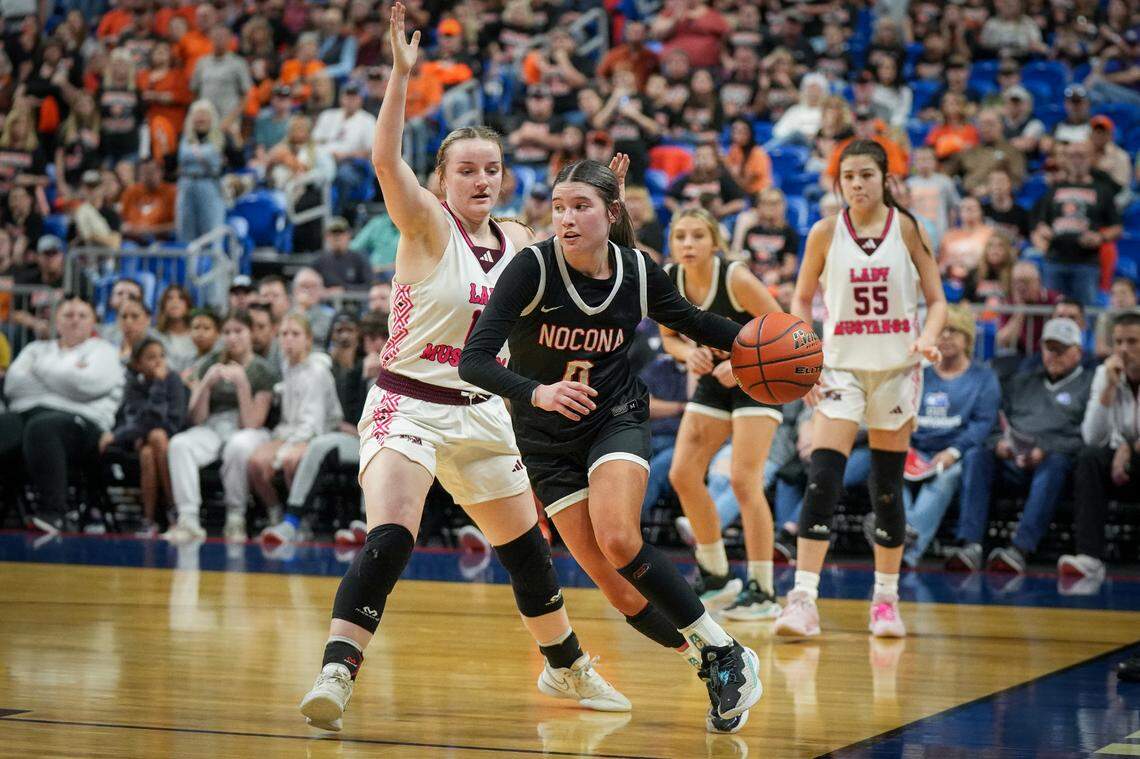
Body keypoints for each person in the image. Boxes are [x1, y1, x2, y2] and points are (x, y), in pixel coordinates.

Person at [298, 5, 628, 736]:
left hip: (482, 411)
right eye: (467, 169)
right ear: (441, 178)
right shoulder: (424, 224)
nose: (482, 179)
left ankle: (565, 663)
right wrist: (401, 78)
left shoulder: (521, 239)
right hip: (409, 403)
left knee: (527, 551)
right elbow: (386, 162)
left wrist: (608, 204)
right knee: (392, 536)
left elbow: (588, 263)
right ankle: (337, 671)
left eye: (492, 169)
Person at [459, 159, 763, 732]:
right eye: (559, 207)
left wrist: (763, 343)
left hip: (613, 417)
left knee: (620, 537)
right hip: (545, 439)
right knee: (619, 591)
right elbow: (473, 360)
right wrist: (538, 392)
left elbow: (696, 321)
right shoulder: (532, 268)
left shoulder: (638, 271)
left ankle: (726, 651)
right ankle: (708, 664)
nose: (566, 219)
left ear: (612, 212)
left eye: (581, 207)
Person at [774, 139, 947, 639]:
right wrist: (806, 354)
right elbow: (801, 297)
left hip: (897, 368)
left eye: (866, 174)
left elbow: (937, 301)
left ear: (885, 179)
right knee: (823, 478)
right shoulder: (825, 232)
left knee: (885, 488)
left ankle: (886, 601)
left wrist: (929, 338)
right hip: (840, 369)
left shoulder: (909, 228)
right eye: (848, 176)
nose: (856, 184)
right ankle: (803, 598)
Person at [658, 208, 783, 619]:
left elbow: (786, 331)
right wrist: (687, 353)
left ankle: (763, 590)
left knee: (744, 481)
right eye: (680, 236)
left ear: (715, 242)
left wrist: (745, 361)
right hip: (715, 375)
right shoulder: (670, 278)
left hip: (760, 376)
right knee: (682, 473)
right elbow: (669, 338)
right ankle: (716, 574)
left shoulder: (736, 278)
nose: (688, 244)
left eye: (697, 235)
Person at [946, 318, 1093, 574]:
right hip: (1012, 459)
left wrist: (1045, 448)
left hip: (1055, 463)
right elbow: (995, 421)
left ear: (1078, 352)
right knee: (977, 455)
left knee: (1055, 463)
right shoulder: (1021, 382)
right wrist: (999, 444)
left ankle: (1019, 549)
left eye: (1061, 349)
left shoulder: (1089, 384)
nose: (1053, 355)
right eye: (1049, 348)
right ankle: (970, 545)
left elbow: (1087, 435)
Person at [0, 295, 125, 533]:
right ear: (56, 321)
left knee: (42, 427)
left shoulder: (104, 351)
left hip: (82, 423)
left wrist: (39, 371)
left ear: (93, 321)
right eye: (68, 315)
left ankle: (54, 513)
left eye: (82, 315)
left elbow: (89, 384)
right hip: (26, 413)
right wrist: (67, 378)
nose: (75, 320)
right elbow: (13, 385)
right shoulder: (35, 348)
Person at [261, 310, 384, 545]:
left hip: (393, 440)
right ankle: (292, 523)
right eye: (370, 338)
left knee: (378, 451)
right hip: (360, 438)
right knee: (319, 446)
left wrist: (385, 376)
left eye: (382, 337)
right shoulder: (356, 371)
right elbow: (347, 418)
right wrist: (364, 378)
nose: (376, 343)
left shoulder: (404, 369)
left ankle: (369, 524)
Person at [164, 309, 279, 542]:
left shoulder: (263, 369)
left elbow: (252, 422)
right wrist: (205, 384)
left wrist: (242, 384)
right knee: (179, 444)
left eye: (238, 331)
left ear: (250, 333)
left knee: (237, 445)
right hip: (213, 425)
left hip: (250, 430)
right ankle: (188, 519)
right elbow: (196, 418)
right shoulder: (210, 362)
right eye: (227, 332)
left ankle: (236, 517)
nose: (232, 337)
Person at [897, 307, 1000, 567]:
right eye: (941, 330)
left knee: (943, 479)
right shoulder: (920, 374)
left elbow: (983, 424)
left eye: (953, 330)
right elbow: (903, 412)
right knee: (890, 471)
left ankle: (904, 550)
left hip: (956, 451)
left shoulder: (983, 378)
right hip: (917, 448)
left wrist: (954, 452)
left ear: (967, 338)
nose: (945, 336)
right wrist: (905, 445)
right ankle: (902, 537)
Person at [1063, 312, 1140, 582]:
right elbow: (1092, 437)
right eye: (1118, 342)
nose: (1123, 349)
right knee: (1089, 458)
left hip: (1133, 456)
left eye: (1132, 342)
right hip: (1118, 460)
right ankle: (1089, 557)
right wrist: (1108, 389)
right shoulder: (1103, 374)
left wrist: (1130, 447)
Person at [246, 312, 342, 525]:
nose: (288, 339)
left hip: (319, 433)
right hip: (290, 431)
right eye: (284, 334)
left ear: (308, 339)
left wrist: (280, 453)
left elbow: (313, 425)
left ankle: (302, 519)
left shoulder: (317, 371)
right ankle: (275, 512)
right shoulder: (286, 366)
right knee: (255, 462)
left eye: (295, 334)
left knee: (291, 461)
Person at [100, 338, 187, 536]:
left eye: (161, 356)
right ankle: (155, 518)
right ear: (138, 364)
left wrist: (159, 383)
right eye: (151, 357)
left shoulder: (173, 380)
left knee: (156, 438)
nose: (158, 362)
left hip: (172, 438)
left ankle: (168, 510)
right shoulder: (133, 385)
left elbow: (175, 421)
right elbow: (137, 419)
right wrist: (157, 385)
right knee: (149, 450)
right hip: (142, 439)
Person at [315, 216, 372, 291]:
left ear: (348, 235)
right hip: (325, 298)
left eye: (340, 233)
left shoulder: (358, 259)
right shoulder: (319, 261)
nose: (337, 237)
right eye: (333, 233)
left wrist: (345, 289)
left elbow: (370, 286)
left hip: (353, 298)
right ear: (327, 237)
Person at [156, 285, 197, 375]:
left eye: (181, 298)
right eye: (169, 298)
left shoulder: (198, 335)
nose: (175, 302)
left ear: (188, 305)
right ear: (163, 306)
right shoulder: (156, 337)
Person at [1094, 279, 1137, 359]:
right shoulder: (1105, 317)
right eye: (1114, 294)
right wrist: (1123, 355)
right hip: (1112, 359)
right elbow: (1100, 349)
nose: (1119, 298)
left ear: (1134, 297)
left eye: (1123, 293)